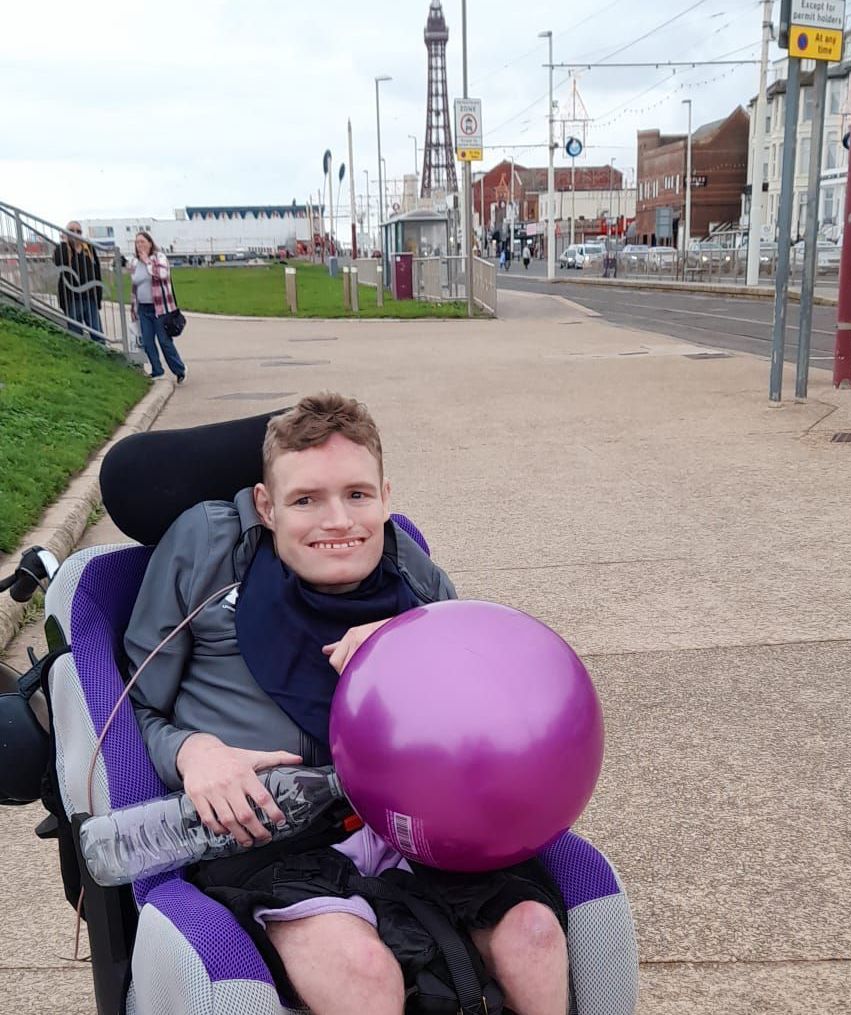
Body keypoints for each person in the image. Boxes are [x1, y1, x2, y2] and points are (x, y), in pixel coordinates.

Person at [124, 393, 569, 1015]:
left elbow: (479, 713)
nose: (338, 521)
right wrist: (195, 754)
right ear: (265, 505)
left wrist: (404, 651)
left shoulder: (411, 575)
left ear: (386, 496)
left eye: (357, 495)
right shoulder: (208, 551)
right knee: (360, 971)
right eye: (305, 500)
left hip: (406, 829)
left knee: (535, 937)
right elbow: (131, 710)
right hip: (270, 836)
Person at [127, 230, 186, 383]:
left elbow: (162, 275)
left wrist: (147, 261)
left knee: (164, 341)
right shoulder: (134, 262)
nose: (140, 245)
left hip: (160, 308)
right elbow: (134, 286)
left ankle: (179, 370)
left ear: (150, 243)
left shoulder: (159, 258)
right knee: (147, 341)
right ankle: (157, 370)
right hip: (143, 308)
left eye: (143, 242)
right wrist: (133, 309)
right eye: (137, 242)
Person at [53, 221, 104, 342]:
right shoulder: (62, 248)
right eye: (71, 230)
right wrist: (65, 242)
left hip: (90, 298)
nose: (75, 233)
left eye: (78, 231)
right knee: (76, 335)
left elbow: (97, 273)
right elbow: (59, 262)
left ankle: (104, 358)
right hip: (72, 299)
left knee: (98, 334)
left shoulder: (89, 249)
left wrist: (98, 297)